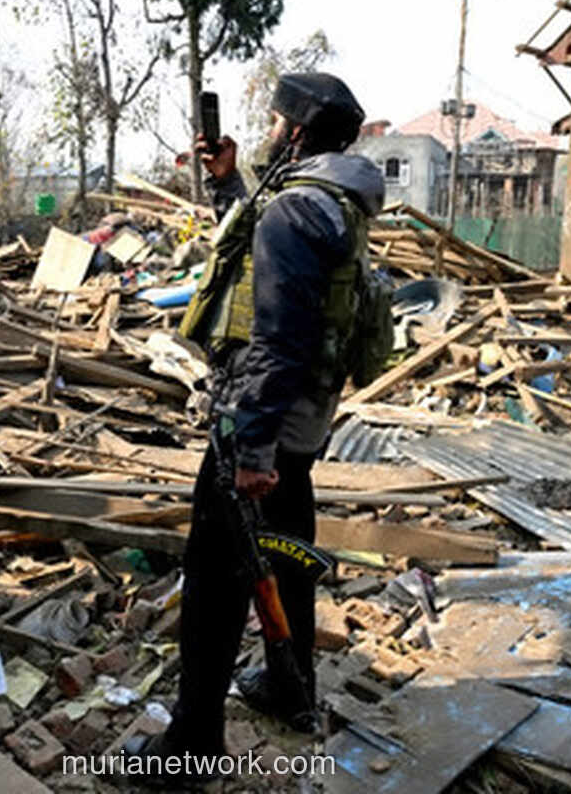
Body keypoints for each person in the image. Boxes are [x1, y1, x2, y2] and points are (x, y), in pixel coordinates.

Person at [126, 73, 384, 786]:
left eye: (274, 122)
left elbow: (277, 335)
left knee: (212, 581)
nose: (268, 131)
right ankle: (290, 687)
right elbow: (260, 266)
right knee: (290, 546)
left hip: (261, 421)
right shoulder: (330, 202)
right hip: (303, 420)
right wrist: (229, 181)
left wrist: (252, 449)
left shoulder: (295, 213)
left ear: (295, 132)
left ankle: (193, 746)